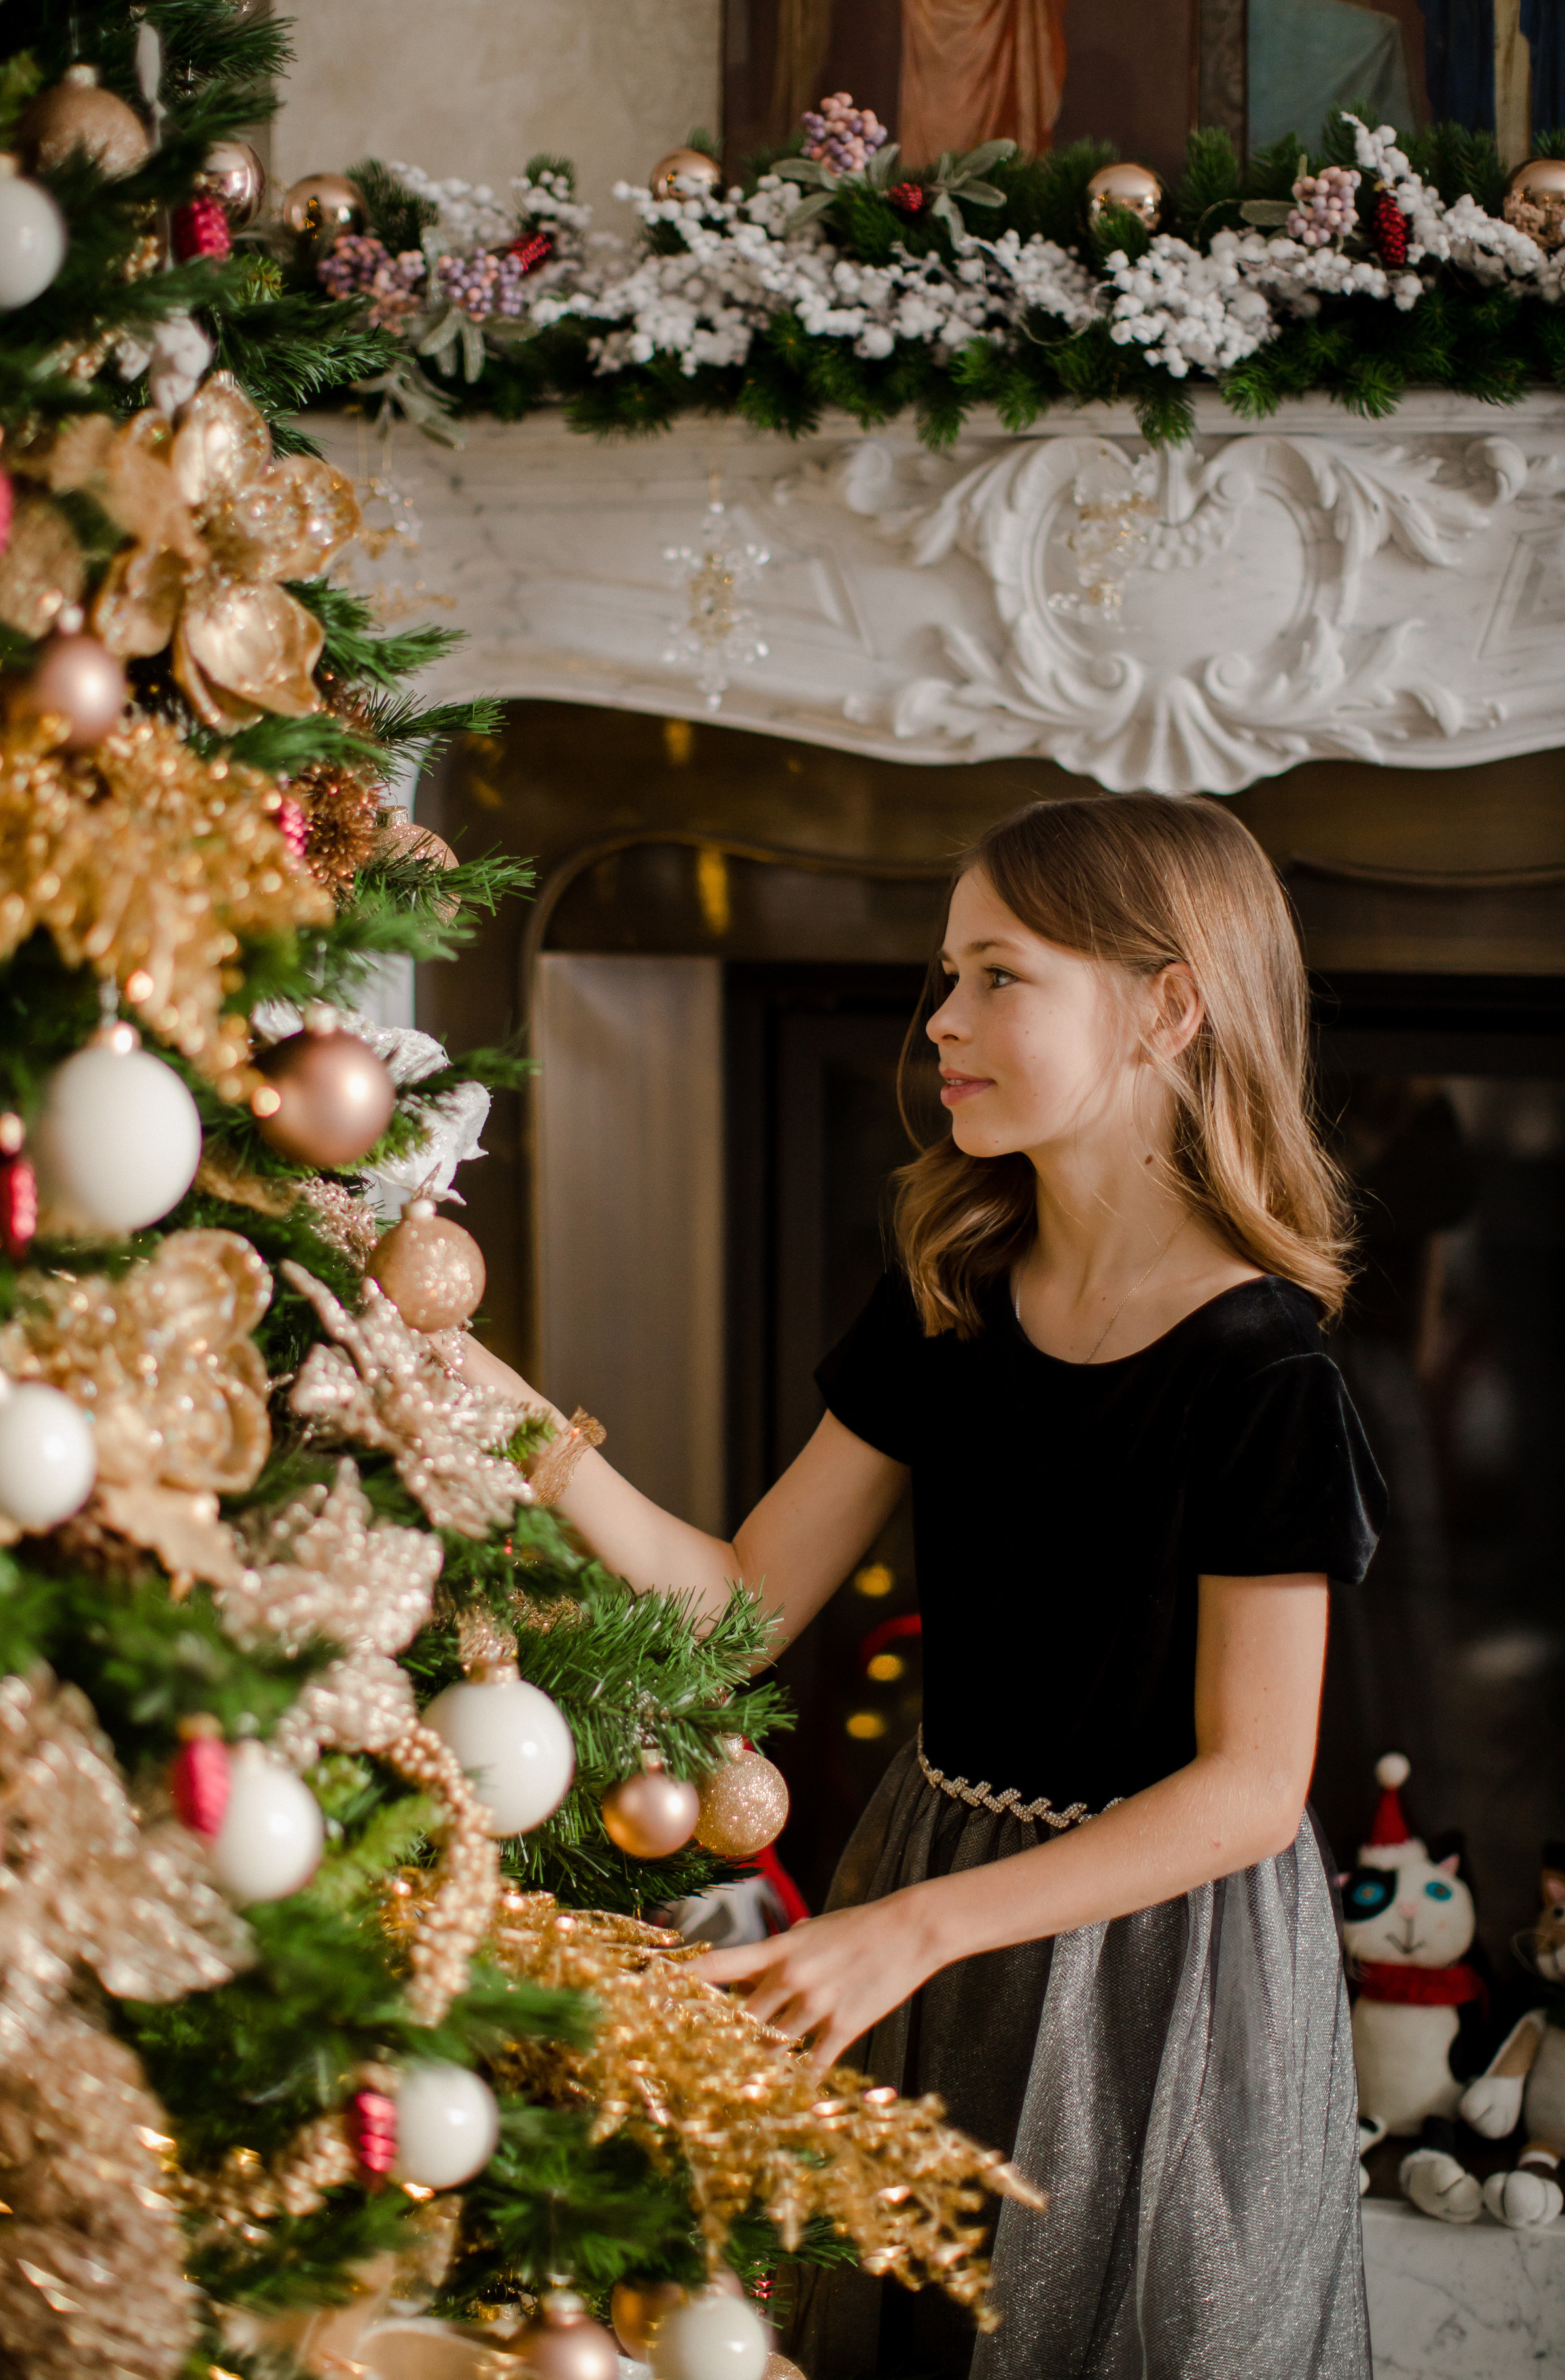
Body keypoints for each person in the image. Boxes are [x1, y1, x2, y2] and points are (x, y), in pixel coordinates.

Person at [459, 794, 1384, 2379]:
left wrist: (907, 1934)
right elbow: (737, 1603)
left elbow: (1245, 1790)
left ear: (1167, 1006)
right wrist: (495, 1413)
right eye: (942, 974)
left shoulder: (1261, 1374)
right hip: (932, 1877)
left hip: (1158, 1962)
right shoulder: (950, 1296)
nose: (940, 1020)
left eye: (997, 976)